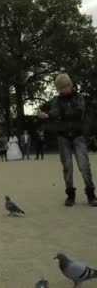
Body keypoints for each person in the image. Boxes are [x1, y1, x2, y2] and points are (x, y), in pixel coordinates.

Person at [38, 73, 96, 207]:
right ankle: (70, 195)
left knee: (84, 166)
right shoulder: (56, 101)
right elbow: (53, 112)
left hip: (78, 136)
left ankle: (91, 194)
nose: (64, 90)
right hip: (63, 137)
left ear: (71, 85)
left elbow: (79, 111)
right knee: (67, 167)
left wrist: (56, 114)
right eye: (61, 88)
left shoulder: (79, 97)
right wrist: (45, 115)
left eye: (66, 86)